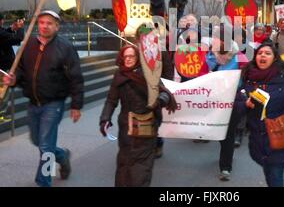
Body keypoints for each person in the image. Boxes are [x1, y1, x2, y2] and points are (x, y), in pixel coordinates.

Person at [2, 10, 83, 187]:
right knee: (38, 141)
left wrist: (76, 105)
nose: (45, 26)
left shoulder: (65, 48)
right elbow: (21, 71)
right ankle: (62, 156)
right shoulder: (29, 45)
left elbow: (76, 78)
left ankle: (43, 182)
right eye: (41, 22)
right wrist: (14, 79)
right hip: (33, 103)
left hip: (53, 103)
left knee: (46, 146)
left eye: (49, 23)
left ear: (57, 26)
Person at [99, 44, 177, 186]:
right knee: (124, 164)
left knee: (141, 167)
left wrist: (159, 101)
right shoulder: (119, 75)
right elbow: (111, 100)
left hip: (146, 125)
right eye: (125, 56)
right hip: (126, 128)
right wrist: (105, 119)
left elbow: (165, 92)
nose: (128, 59)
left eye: (131, 56)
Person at [238, 43, 284, 187]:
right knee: (269, 173)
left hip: (279, 134)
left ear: (275, 58)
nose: (263, 55)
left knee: (275, 176)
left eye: (267, 53)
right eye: (260, 53)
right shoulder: (247, 78)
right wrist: (245, 104)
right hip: (257, 138)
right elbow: (237, 103)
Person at [199, 24, 248, 181]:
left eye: (216, 38)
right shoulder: (210, 56)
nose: (213, 40)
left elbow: (249, 76)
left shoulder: (239, 57)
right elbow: (200, 74)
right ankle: (226, 154)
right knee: (220, 133)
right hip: (214, 101)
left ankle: (225, 167)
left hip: (233, 101)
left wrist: (244, 90)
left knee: (228, 133)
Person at [0, 14, 25, 121]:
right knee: (3, 92)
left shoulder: (2, 32)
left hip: (3, 66)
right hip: (3, 67)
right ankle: (1, 114)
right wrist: (20, 28)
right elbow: (17, 38)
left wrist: (11, 29)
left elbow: (4, 36)